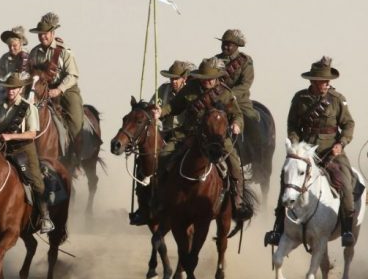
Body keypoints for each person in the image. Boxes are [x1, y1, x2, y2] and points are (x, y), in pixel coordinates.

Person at [265, 57, 357, 247]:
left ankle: (347, 229)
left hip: (331, 151)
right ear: (312, 81)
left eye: (327, 81)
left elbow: (348, 124)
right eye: (322, 80)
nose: (326, 84)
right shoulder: (300, 99)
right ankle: (278, 227)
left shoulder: (337, 99)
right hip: (305, 151)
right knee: (286, 180)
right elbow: (292, 125)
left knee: (346, 183)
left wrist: (341, 143)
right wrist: (296, 144)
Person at [150, 57, 246, 218]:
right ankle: (160, 197)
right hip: (189, 133)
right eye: (203, 79)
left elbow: (237, 115)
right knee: (165, 155)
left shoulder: (225, 93)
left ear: (217, 78)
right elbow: (174, 106)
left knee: (234, 162)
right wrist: (161, 112)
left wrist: (236, 124)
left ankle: (238, 200)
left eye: (209, 79)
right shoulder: (191, 88)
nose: (206, 82)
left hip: (215, 137)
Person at [128, 60, 192, 225]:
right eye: (171, 78)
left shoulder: (190, 92)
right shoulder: (163, 90)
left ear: (184, 78)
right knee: (142, 160)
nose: (173, 81)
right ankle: (143, 207)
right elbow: (152, 107)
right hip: (164, 134)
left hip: (185, 136)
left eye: (176, 78)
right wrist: (153, 111)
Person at [0, 73, 54, 233]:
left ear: (21, 89)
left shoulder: (28, 107)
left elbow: (32, 134)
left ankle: (45, 217)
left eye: (14, 88)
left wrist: (11, 136)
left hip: (24, 150)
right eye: (9, 88)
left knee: (36, 182)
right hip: (4, 149)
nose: (11, 91)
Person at [28, 12, 83, 147]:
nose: (42, 36)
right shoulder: (34, 53)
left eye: (45, 33)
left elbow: (73, 75)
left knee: (76, 121)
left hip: (66, 89)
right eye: (40, 34)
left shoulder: (64, 51)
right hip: (42, 89)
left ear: (52, 33)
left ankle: (77, 153)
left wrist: (59, 89)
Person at [213, 29, 257, 123]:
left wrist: (229, 95)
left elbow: (245, 84)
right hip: (217, 100)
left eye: (228, 45)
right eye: (223, 44)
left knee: (252, 119)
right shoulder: (214, 60)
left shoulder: (245, 61)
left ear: (236, 46)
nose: (225, 47)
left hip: (239, 100)